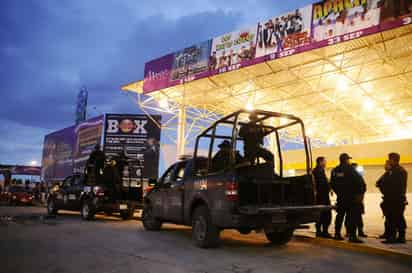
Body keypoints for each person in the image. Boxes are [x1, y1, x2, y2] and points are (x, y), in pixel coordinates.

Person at [331, 153, 365, 243]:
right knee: (351, 217)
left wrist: (339, 193)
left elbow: (332, 184)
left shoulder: (335, 170)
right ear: (346, 160)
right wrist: (360, 194)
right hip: (351, 198)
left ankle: (337, 234)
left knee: (340, 216)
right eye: (348, 159)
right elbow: (359, 182)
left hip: (341, 197)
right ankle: (352, 236)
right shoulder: (350, 169)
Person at [380, 153, 408, 244]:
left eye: (389, 159)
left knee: (397, 218)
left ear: (393, 160)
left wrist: (388, 171)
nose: (388, 161)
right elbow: (379, 182)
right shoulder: (391, 171)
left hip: (396, 199)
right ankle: (389, 234)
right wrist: (387, 171)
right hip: (389, 199)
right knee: (390, 217)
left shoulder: (400, 171)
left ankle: (398, 237)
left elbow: (393, 184)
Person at [313, 156, 332, 238]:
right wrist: (328, 186)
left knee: (322, 214)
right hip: (321, 197)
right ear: (320, 162)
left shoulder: (319, 171)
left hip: (322, 196)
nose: (325, 163)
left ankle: (320, 231)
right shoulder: (317, 171)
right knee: (325, 214)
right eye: (324, 161)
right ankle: (323, 231)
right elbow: (321, 185)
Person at [350, 163, 368, 238]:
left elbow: (364, 187)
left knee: (358, 216)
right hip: (353, 199)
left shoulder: (359, 177)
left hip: (358, 199)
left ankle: (360, 231)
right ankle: (352, 233)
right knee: (352, 217)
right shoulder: (351, 177)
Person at [376, 160, 392, 239]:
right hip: (387, 198)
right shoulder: (386, 174)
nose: (385, 166)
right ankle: (387, 233)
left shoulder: (396, 173)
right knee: (388, 218)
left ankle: (398, 236)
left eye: (386, 164)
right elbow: (378, 183)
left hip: (393, 199)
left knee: (395, 218)